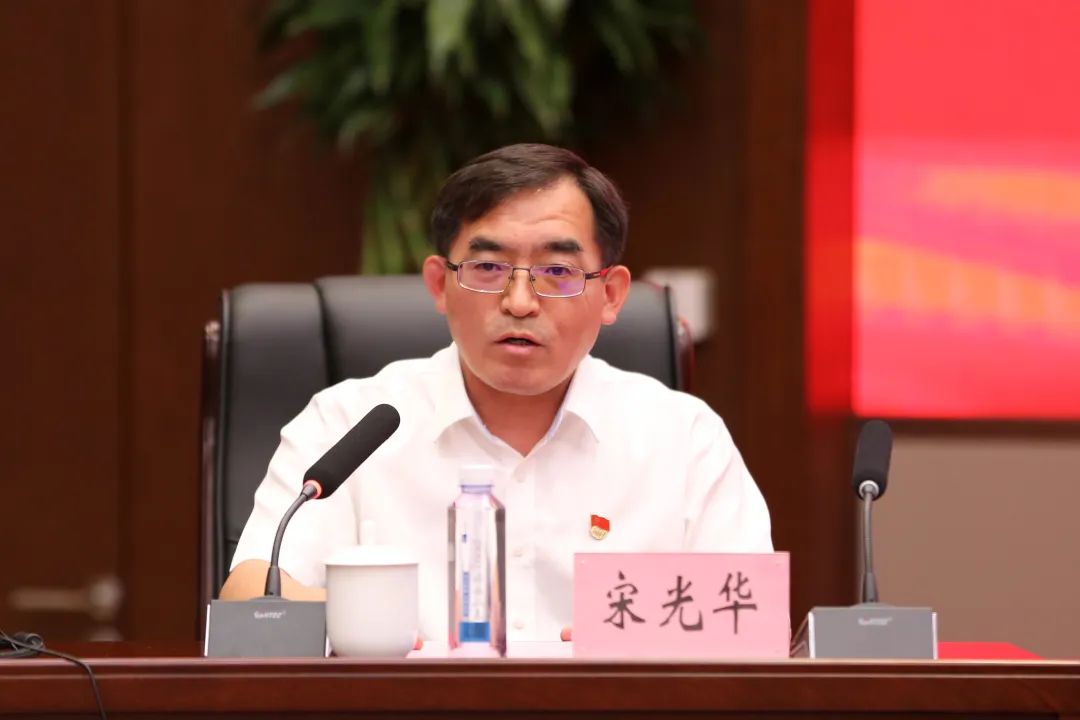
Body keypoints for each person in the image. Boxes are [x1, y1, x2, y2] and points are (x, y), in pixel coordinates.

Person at [220, 143, 772, 642]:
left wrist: (635, 633)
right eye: (487, 267)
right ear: (439, 284)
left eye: (557, 270)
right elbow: (250, 597)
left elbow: (748, 618)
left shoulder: (682, 437)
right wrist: (365, 620)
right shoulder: (348, 423)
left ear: (610, 294)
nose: (520, 302)